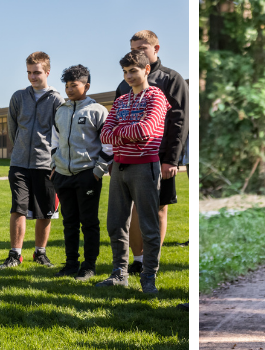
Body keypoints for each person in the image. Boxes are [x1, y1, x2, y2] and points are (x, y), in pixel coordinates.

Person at [114, 30, 187, 276]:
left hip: (159, 158)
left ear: (156, 48)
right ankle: (137, 259)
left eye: (142, 48)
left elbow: (178, 122)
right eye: (134, 48)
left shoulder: (171, 79)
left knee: (159, 208)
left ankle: (151, 263)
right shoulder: (124, 83)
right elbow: (111, 125)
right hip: (126, 160)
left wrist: (171, 159)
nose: (138, 52)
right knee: (132, 209)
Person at [99, 50, 167, 294]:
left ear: (146, 69)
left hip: (144, 166)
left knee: (148, 225)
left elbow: (146, 130)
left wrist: (121, 133)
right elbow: (104, 133)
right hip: (118, 167)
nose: (128, 76)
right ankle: (119, 273)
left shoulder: (156, 96)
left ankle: (149, 276)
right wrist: (127, 133)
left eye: (133, 71)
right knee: (116, 223)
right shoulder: (120, 101)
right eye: (125, 72)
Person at [0, 51, 61, 269]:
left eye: (36, 73)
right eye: (29, 73)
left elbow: (59, 133)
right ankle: (15, 255)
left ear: (47, 72)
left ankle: (40, 253)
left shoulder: (57, 100)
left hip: (46, 165)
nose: (32, 77)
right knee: (18, 208)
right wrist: (20, 149)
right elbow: (12, 129)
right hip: (19, 164)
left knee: (45, 211)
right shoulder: (18, 97)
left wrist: (55, 161)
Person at [51, 64, 109, 281]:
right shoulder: (61, 110)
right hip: (63, 175)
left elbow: (108, 144)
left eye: (73, 85)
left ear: (87, 86)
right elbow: (54, 140)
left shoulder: (98, 111)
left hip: (87, 175)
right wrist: (55, 166)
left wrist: (98, 170)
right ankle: (70, 264)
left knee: (89, 222)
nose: (68, 90)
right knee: (69, 222)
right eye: (66, 86)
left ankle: (89, 265)